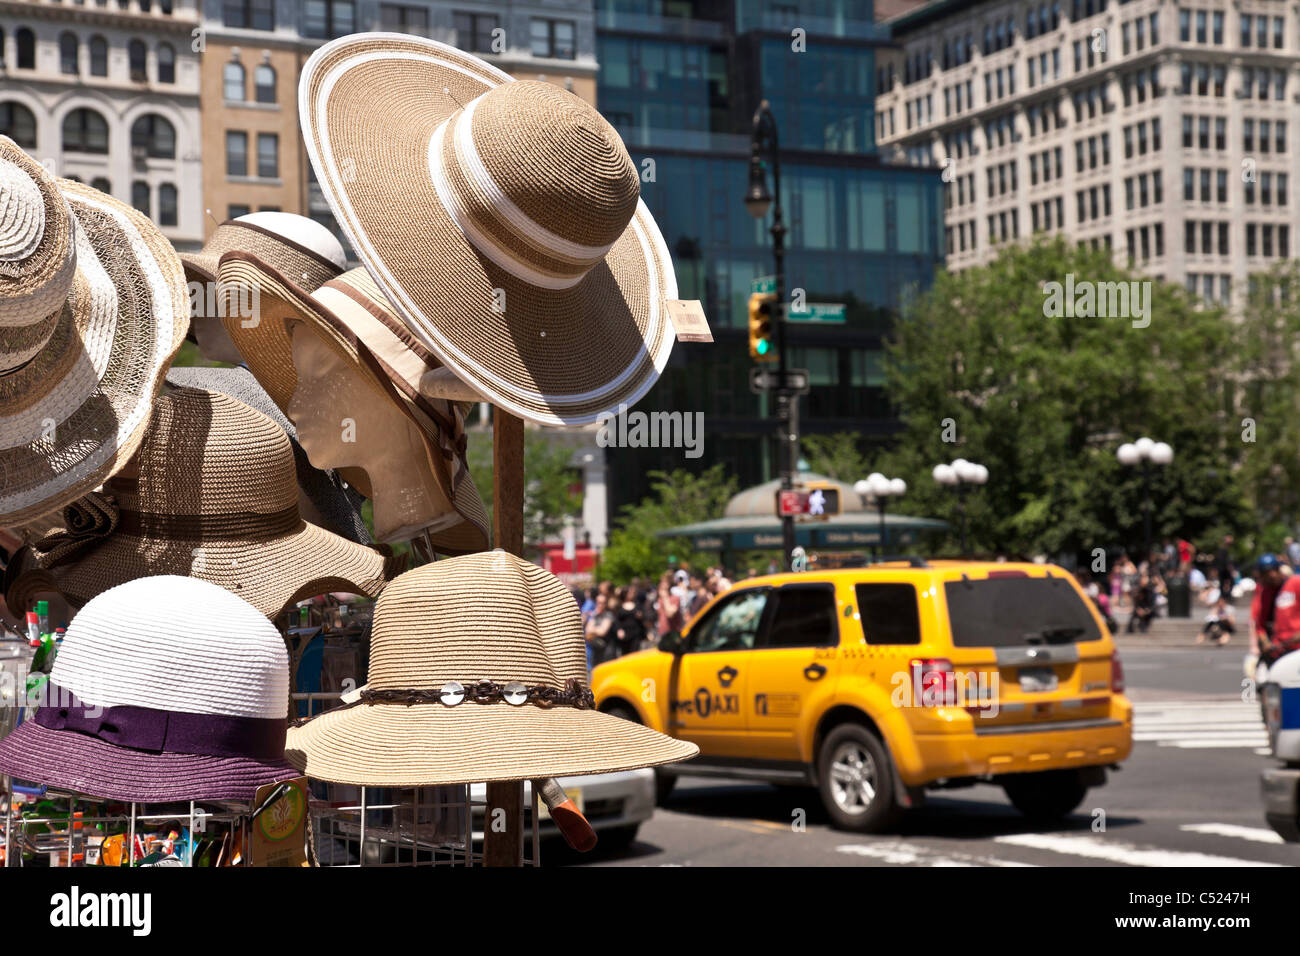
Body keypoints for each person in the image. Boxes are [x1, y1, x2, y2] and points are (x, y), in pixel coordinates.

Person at [1252, 554, 1300, 666]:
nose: (1266, 581)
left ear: (1277, 571)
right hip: (1278, 650)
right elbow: (1260, 624)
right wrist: (1264, 641)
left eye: (1269, 576)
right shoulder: (1265, 592)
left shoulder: (1295, 583)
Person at [612, 586, 648, 657]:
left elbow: (644, 617)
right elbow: (617, 620)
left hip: (635, 634)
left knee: (634, 654)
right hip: (625, 635)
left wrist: (641, 616)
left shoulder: (638, 605)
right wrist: (619, 630)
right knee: (625, 654)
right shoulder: (619, 606)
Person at [584, 593, 615, 670]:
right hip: (595, 652)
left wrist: (593, 629)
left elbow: (602, 631)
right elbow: (588, 630)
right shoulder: (594, 615)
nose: (600, 605)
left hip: (607, 652)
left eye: (603, 603)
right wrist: (596, 629)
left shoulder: (608, 615)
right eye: (598, 602)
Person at [655, 571, 684, 637]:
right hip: (662, 634)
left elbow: (670, 614)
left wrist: (665, 598)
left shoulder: (675, 598)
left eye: (664, 582)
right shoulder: (660, 599)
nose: (661, 584)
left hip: (673, 635)